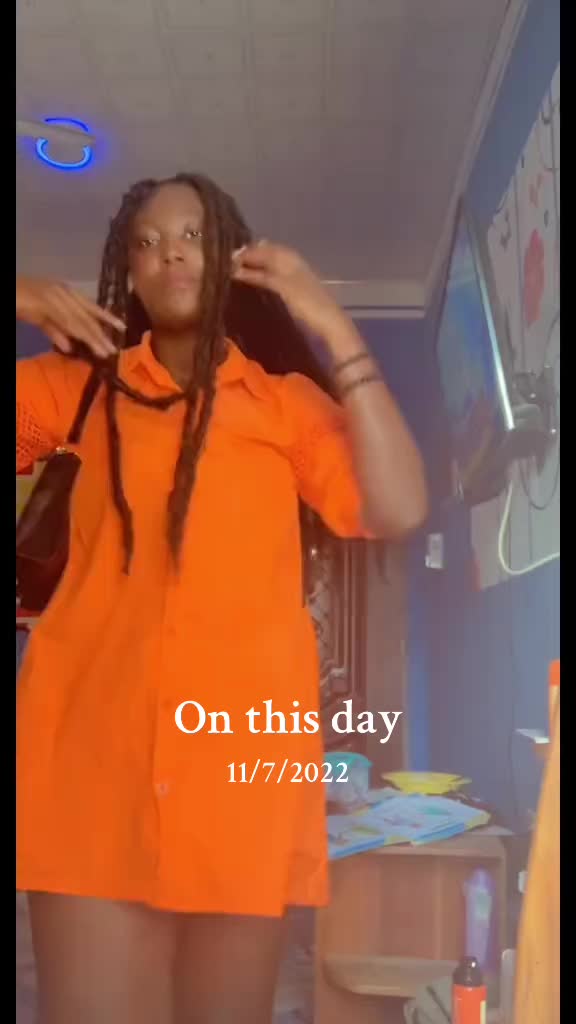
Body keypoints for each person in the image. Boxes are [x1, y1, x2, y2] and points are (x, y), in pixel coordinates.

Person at [16, 173, 427, 1024]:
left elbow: (398, 506)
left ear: (233, 259)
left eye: (193, 235)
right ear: (129, 272)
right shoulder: (77, 391)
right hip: (90, 782)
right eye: (147, 241)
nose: (169, 252)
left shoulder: (284, 407)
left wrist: (327, 317)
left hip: (243, 786)